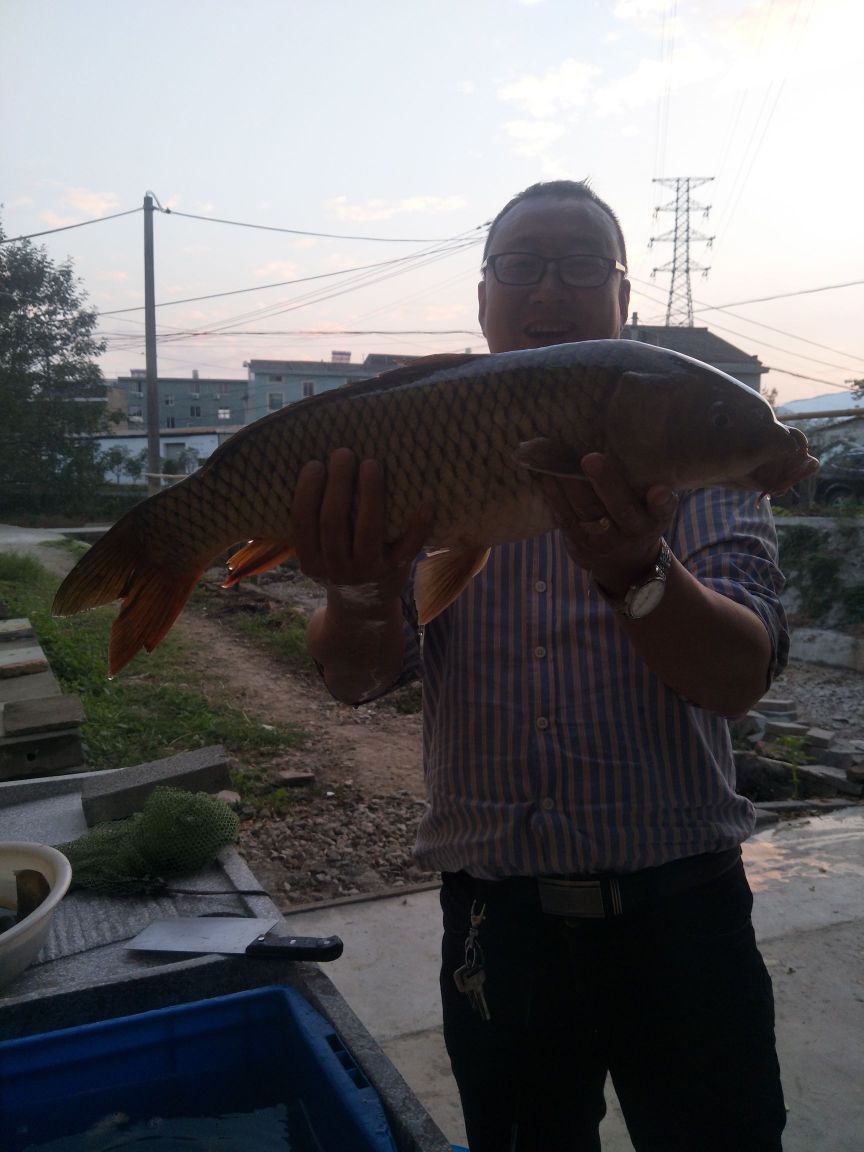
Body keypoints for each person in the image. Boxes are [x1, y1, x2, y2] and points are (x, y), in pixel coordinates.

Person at [295, 180, 787, 1152]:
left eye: (579, 268)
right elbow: (353, 681)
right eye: (520, 267)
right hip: (498, 926)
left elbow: (739, 677)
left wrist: (638, 571)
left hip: (686, 916)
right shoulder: (418, 446)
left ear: (624, 301)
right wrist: (357, 591)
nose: (546, 293)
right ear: (482, 299)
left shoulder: (680, 452)